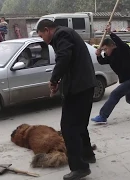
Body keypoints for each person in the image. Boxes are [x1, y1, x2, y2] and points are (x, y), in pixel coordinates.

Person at [36, 19, 97, 180]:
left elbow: (64, 57)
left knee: (69, 128)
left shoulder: (61, 34)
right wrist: (59, 83)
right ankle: (87, 155)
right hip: (84, 85)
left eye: (42, 36)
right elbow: (70, 63)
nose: (45, 41)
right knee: (80, 125)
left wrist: (54, 79)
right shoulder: (67, 33)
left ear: (47, 30)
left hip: (78, 89)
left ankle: (79, 167)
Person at [91, 23, 130, 123]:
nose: (105, 51)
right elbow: (102, 61)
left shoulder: (122, 49)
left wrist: (110, 33)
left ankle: (103, 116)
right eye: (103, 50)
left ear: (112, 46)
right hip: (127, 81)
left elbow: (120, 42)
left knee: (114, 94)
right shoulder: (110, 57)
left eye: (106, 49)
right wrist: (98, 55)